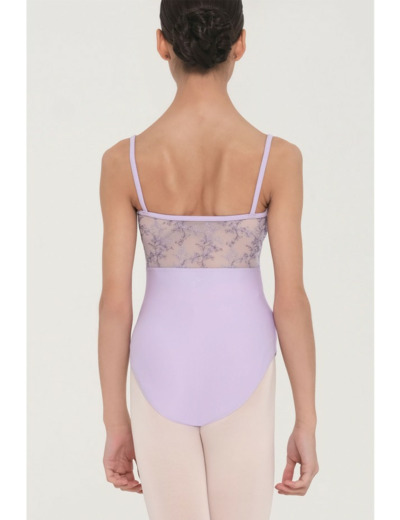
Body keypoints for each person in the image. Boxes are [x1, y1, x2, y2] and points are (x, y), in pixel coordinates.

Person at [98, 0, 319, 518]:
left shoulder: (123, 162)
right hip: (244, 362)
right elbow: (290, 300)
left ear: (162, 44)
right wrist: (306, 420)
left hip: (159, 368)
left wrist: (115, 422)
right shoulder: (277, 159)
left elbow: (114, 304)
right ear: (240, 44)